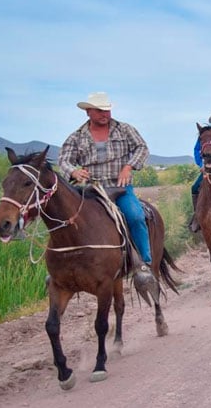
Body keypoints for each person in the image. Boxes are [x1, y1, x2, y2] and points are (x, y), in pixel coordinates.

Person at [58, 92, 154, 282]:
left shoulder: (124, 130)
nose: (105, 114)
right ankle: (62, 266)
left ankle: (144, 263)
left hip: (119, 187)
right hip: (91, 190)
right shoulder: (76, 137)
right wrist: (74, 172)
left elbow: (142, 148)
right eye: (100, 110)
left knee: (135, 216)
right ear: (88, 112)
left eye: (107, 110)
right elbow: (64, 160)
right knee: (66, 220)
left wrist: (128, 167)